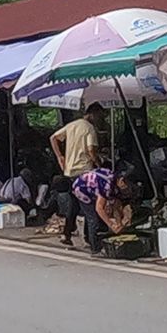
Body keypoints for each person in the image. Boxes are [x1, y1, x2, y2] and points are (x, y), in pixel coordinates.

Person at [49, 103, 109, 247]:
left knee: (74, 205)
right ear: (93, 114)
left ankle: (67, 233)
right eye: (100, 116)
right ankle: (92, 240)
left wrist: (60, 156)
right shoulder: (89, 129)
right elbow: (91, 151)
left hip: (70, 172)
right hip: (84, 173)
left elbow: (53, 138)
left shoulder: (72, 125)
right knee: (91, 206)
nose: (100, 120)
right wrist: (100, 165)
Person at [72, 166, 137, 253]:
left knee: (97, 217)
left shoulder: (114, 183)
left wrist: (119, 223)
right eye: (125, 186)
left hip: (93, 187)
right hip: (81, 189)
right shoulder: (107, 186)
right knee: (93, 219)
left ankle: (89, 237)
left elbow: (116, 205)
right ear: (121, 181)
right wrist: (111, 225)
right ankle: (95, 247)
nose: (125, 188)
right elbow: (99, 208)